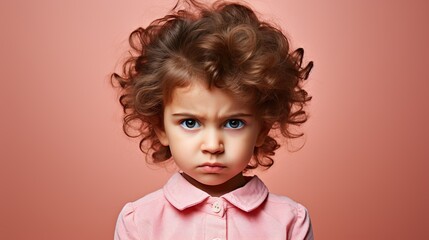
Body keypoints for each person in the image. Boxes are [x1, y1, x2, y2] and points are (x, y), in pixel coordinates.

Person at [112, 0, 314, 239]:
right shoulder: (138, 221)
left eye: (233, 123)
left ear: (262, 129)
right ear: (160, 128)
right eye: (190, 123)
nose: (212, 146)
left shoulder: (290, 221)